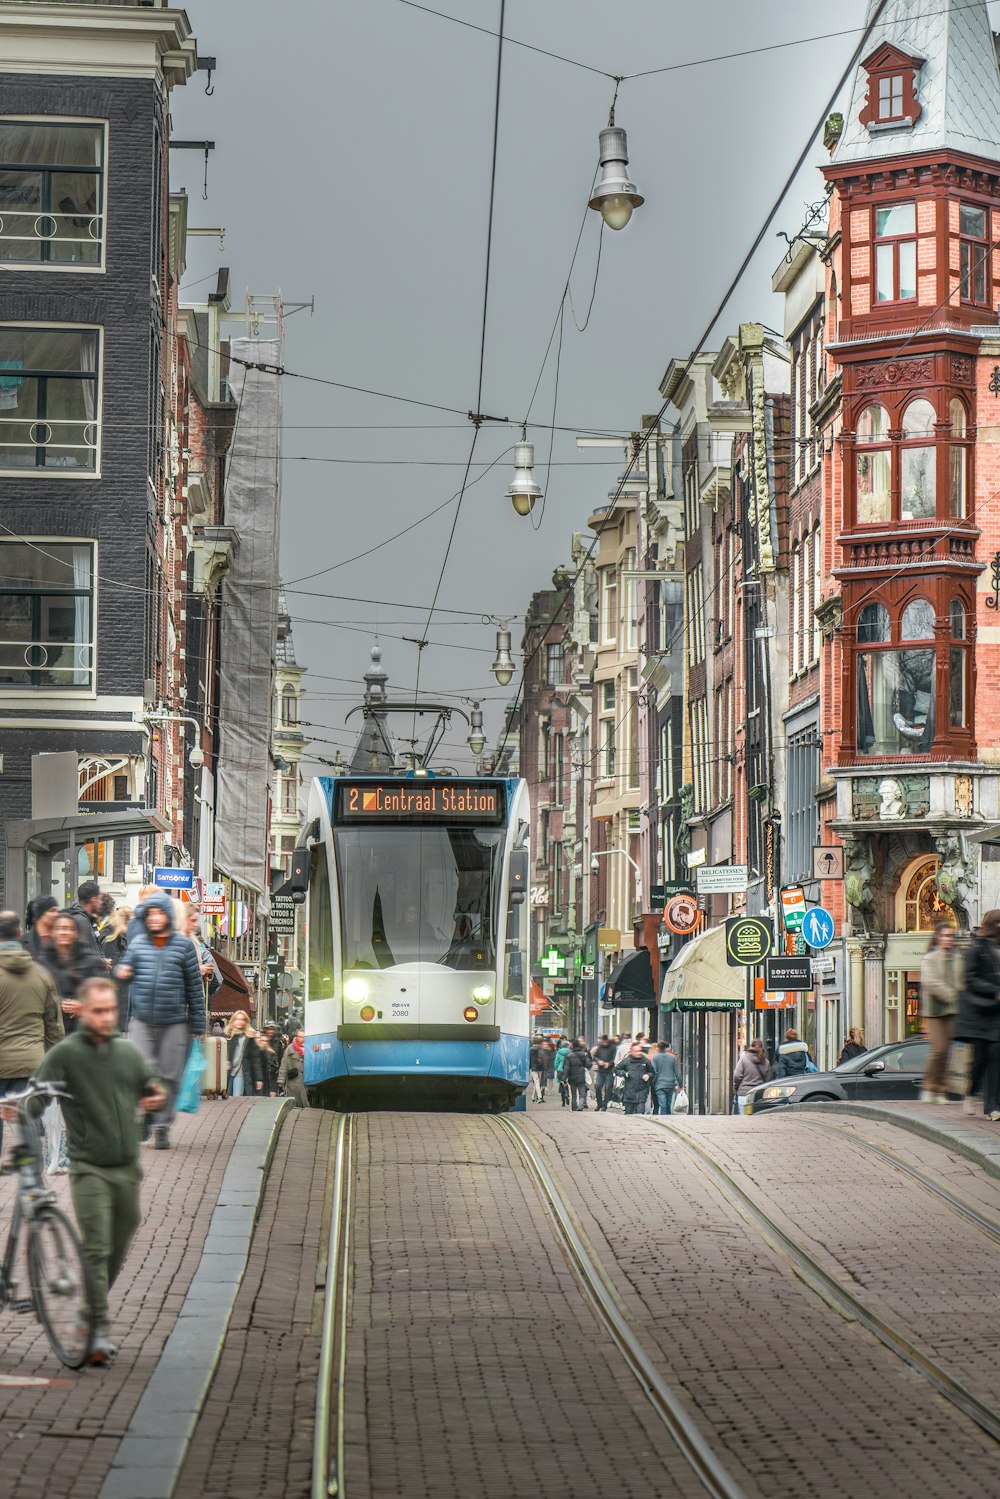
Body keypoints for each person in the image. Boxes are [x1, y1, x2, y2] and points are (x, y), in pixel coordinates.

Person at [34, 976, 166, 1367]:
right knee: (95, 1247)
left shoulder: (127, 1053)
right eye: (99, 1011)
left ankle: (89, 1315)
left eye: (111, 1010)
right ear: (85, 1011)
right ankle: (97, 1331)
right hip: (88, 1165)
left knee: (118, 1244)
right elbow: (38, 1094)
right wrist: (20, 1114)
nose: (107, 1017)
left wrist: (156, 1095)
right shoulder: (66, 1054)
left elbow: (151, 1085)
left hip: (126, 1167)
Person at [114, 894, 205, 1149]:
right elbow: (121, 974)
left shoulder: (183, 946)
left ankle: (162, 1125)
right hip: (142, 1020)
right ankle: (145, 1113)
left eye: (159, 913)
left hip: (174, 1022)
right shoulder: (139, 944)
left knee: (169, 1075)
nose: (154, 918)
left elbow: (194, 988)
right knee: (141, 1070)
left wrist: (198, 1023)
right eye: (150, 914)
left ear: (167, 916)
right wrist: (121, 973)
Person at [0, 911, 63, 1151]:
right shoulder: (41, 974)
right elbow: (53, 1025)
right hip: (31, 1061)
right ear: (19, 934)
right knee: (28, 1120)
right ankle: (31, 1169)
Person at [954, 909, 1000, 1120]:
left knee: (996, 1059)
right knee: (980, 1060)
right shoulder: (976, 948)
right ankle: (971, 1092)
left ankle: (992, 1107)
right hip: (981, 1012)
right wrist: (994, 991)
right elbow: (970, 978)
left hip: (997, 1015)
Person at [37, 912, 107, 1035]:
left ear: (76, 933)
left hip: (84, 1028)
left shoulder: (89, 959)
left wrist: (83, 1004)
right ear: (52, 932)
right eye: (60, 929)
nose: (64, 933)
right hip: (51, 1027)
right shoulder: (43, 961)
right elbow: (37, 993)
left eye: (69, 929)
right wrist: (58, 1003)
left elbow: (102, 992)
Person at [920, 920, 960, 1103]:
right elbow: (931, 983)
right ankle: (930, 1087)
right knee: (939, 1048)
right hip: (935, 1011)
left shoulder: (958, 958)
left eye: (950, 936)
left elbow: (962, 982)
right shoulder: (930, 958)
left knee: (948, 1051)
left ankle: (941, 1090)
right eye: (944, 936)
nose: (947, 939)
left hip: (953, 1010)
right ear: (937, 937)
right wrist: (953, 995)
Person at [225, 1010, 265, 1097]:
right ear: (233, 1020)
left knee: (236, 1098)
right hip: (226, 1071)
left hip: (241, 1072)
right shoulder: (227, 1035)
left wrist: (259, 1078)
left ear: (246, 1022)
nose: (240, 1021)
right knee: (225, 1098)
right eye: (237, 1019)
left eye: (243, 1019)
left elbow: (256, 1059)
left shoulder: (250, 1037)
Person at [732, 1037, 771, 1115]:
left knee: (744, 1120)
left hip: (744, 1095)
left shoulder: (744, 1059)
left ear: (750, 1047)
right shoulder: (765, 1062)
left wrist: (736, 1087)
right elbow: (768, 1080)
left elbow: (737, 1076)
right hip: (759, 1097)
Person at [68, 880, 105, 960]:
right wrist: (101, 963)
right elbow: (82, 955)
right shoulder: (81, 921)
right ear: (93, 900)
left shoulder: (88, 919)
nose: (101, 903)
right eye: (99, 899)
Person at [616, 1041, 654, 1115]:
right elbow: (617, 1069)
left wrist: (648, 1075)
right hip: (629, 1093)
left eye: (640, 1051)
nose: (639, 1053)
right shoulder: (627, 1060)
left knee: (640, 1114)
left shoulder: (645, 1060)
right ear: (632, 1051)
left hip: (642, 1091)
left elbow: (652, 1072)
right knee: (629, 1115)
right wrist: (624, 1073)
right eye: (636, 1051)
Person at [277, 1027, 309, 1107]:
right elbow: (284, 1064)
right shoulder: (290, 1048)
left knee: (307, 1104)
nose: (301, 1039)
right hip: (293, 1081)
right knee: (295, 1105)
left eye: (303, 1037)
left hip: (306, 1082)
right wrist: (281, 1079)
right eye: (299, 1036)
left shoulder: (310, 1047)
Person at [651, 1040, 684, 1115]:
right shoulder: (672, 1057)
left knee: (662, 1105)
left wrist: (652, 1083)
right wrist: (681, 1084)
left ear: (658, 1048)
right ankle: (669, 1118)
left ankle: (664, 1119)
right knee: (668, 1104)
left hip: (659, 1085)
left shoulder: (655, 1058)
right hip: (670, 1084)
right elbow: (677, 1072)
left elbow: (654, 1072)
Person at [24, 894, 58, 960]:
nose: (56, 914)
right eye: (52, 911)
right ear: (40, 913)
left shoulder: (61, 940)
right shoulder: (23, 942)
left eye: (56, 911)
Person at [562, 1036, 592, 1111]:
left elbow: (566, 1068)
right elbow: (588, 1065)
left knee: (573, 1094)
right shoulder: (583, 1054)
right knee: (582, 1094)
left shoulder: (568, 1055)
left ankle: (574, 1107)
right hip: (581, 1077)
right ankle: (581, 1106)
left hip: (572, 1078)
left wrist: (564, 1079)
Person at [592, 1035, 617, 1111]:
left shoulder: (612, 1048)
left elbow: (615, 1058)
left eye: (606, 1042)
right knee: (598, 1086)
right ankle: (599, 1103)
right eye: (603, 1042)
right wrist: (598, 1061)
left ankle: (604, 1105)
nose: (605, 1043)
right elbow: (595, 1056)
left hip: (609, 1071)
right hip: (600, 1070)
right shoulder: (599, 1047)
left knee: (608, 1088)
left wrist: (609, 1064)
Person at [254, 1029, 280, 1096]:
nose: (264, 1042)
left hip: (267, 1084)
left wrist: (273, 1089)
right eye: (262, 1040)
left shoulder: (271, 1054)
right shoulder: (255, 1053)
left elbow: (274, 1073)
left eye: (266, 1041)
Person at [528, 1037, 551, 1103]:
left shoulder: (530, 1050)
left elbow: (529, 1060)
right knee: (537, 1082)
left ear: (532, 1042)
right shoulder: (541, 1049)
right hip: (541, 1067)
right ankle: (533, 1097)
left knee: (536, 1082)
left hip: (534, 1068)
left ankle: (539, 1097)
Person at [553, 1036, 572, 1107]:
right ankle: (567, 1094)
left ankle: (563, 1101)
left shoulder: (559, 1052)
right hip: (569, 1069)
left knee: (561, 1084)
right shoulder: (570, 1052)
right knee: (568, 1083)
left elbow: (556, 1063)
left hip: (560, 1070)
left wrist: (557, 1068)